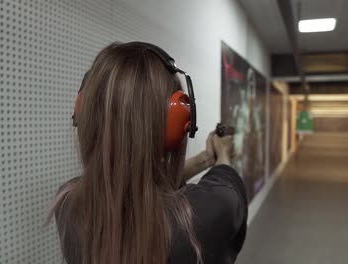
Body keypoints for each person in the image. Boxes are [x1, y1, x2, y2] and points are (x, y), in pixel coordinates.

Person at [48, 42, 248, 264]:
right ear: (176, 125)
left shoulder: (68, 203)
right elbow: (226, 185)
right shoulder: (200, 218)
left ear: (83, 113)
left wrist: (204, 159)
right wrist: (222, 154)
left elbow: (137, 182)